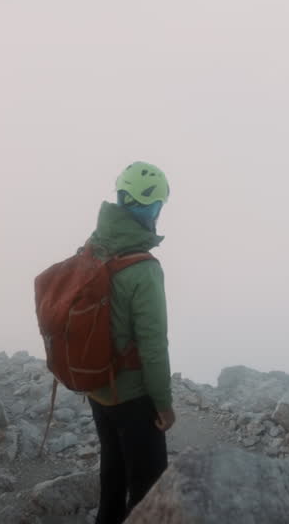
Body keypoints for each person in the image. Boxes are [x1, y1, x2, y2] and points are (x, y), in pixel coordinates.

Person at [85, 162, 175, 523]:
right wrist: (165, 406)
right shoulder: (144, 269)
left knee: (113, 472)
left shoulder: (96, 245)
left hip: (99, 388)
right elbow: (153, 346)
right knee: (149, 489)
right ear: (151, 207)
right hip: (134, 397)